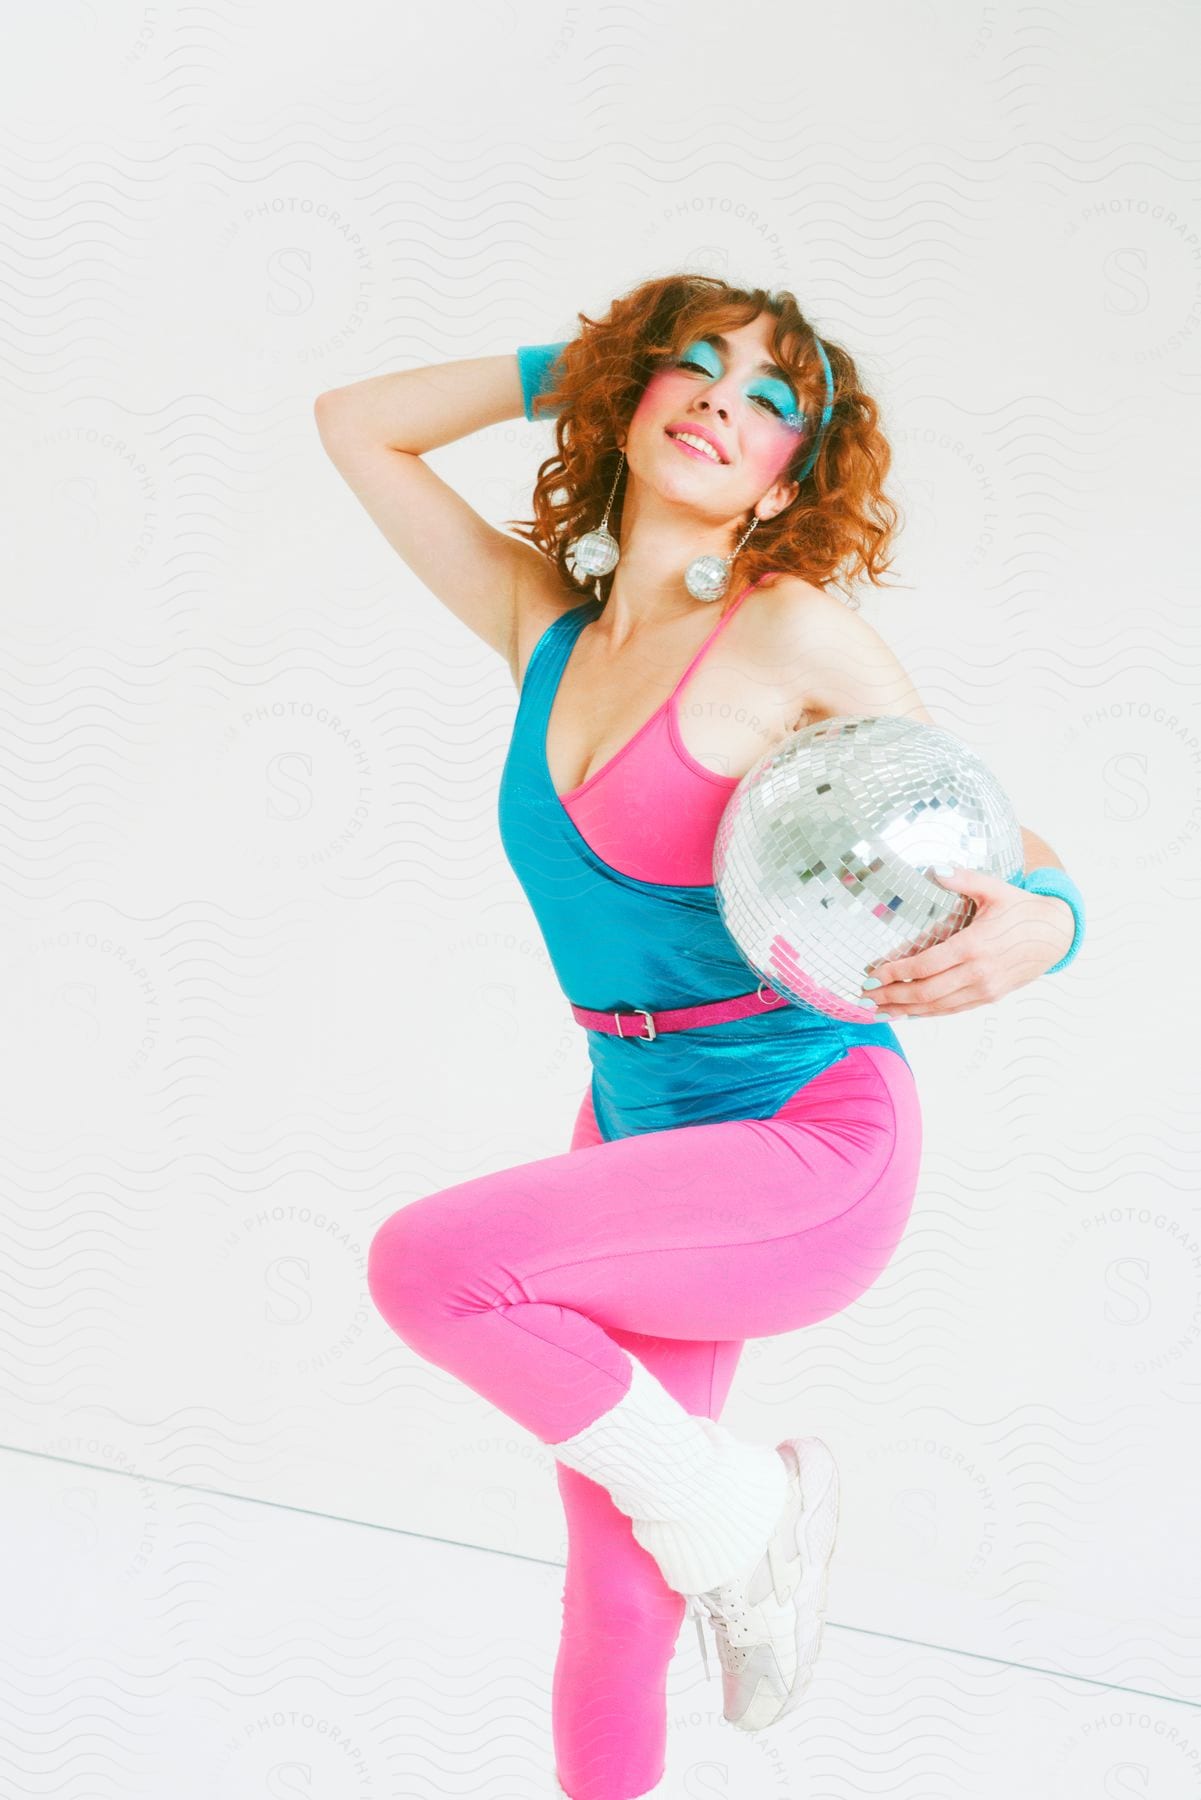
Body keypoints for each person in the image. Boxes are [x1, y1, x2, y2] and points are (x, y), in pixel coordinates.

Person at [314, 275, 1085, 1800]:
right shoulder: (546, 625)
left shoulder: (786, 627)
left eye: (772, 397)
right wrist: (589, 357)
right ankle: (729, 1527)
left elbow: (998, 834)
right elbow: (358, 428)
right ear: (633, 396)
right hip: (636, 1128)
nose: (725, 399)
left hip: (805, 1142)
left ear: (791, 469)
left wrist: (1049, 921)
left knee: (428, 1268)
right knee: (613, 1594)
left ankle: (744, 1516)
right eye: (694, 366)